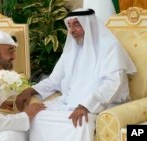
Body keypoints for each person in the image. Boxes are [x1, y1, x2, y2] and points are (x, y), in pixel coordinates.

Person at [15, 8, 137, 141]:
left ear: (89, 25)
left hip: (100, 105)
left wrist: (86, 105)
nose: (72, 30)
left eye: (77, 25)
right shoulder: (71, 48)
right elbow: (54, 80)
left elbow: (112, 84)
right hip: (69, 101)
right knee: (36, 115)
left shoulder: (110, 47)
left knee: (79, 123)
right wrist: (30, 90)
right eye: (69, 25)